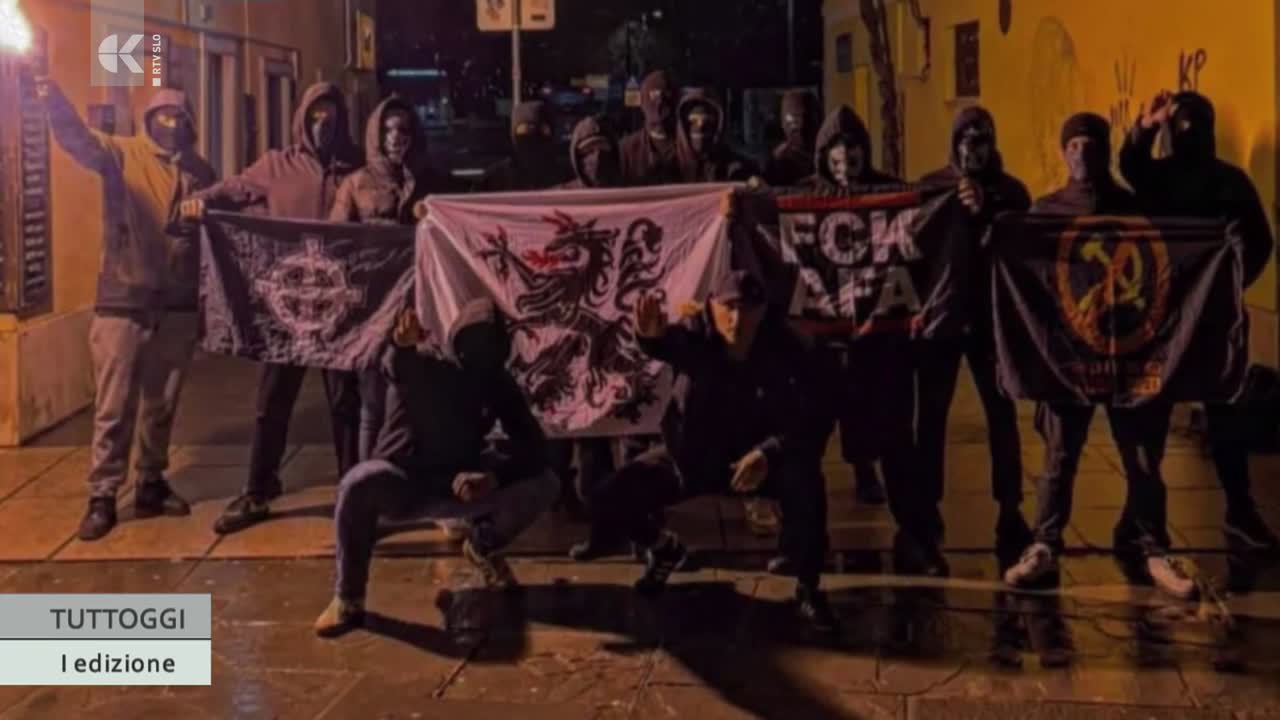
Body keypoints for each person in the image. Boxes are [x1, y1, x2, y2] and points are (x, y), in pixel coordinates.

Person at [583, 271, 841, 634]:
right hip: (693, 459)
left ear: (763, 311)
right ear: (713, 308)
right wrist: (648, 337)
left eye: (748, 310)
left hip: (757, 463)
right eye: (728, 309)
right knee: (610, 495)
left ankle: (809, 587)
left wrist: (770, 452)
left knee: (807, 482)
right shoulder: (697, 335)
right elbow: (666, 343)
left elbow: (815, 416)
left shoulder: (789, 346)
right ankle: (664, 549)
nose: (737, 320)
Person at [1004, 113, 1193, 600]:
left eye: (1091, 145)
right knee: (1059, 457)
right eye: (1073, 145)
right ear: (1062, 151)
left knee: (1142, 459)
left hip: (1131, 358)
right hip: (1070, 361)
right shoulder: (1046, 212)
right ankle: (1044, 543)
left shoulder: (1134, 211)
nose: (1082, 155)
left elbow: (1166, 267)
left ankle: (1153, 547)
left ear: (1105, 150)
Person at [180, 82, 364, 535]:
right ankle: (259, 489)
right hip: (288, 309)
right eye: (314, 116)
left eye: (330, 116)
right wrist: (202, 201)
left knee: (346, 403)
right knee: (272, 401)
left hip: (340, 308)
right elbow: (234, 188)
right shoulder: (276, 166)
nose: (322, 125)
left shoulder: (357, 169)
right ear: (302, 118)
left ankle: (354, 491)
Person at [314, 300, 559, 637]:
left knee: (545, 483)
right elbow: (398, 366)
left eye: (488, 352)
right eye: (472, 349)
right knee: (358, 483)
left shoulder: (497, 383)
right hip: (405, 481)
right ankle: (348, 597)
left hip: (459, 485)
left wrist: (493, 476)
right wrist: (400, 345)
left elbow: (534, 447)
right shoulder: (429, 367)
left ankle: (482, 544)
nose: (478, 360)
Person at [39, 80, 216, 541]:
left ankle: (151, 482)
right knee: (114, 405)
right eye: (163, 117)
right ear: (149, 120)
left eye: (179, 118)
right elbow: (77, 140)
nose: (171, 125)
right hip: (124, 300)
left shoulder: (200, 170)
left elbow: (215, 232)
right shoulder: (120, 154)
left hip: (176, 304)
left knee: (162, 404)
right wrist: (53, 99)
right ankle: (102, 494)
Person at [1120, 90, 1279, 551]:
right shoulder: (1166, 177)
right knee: (1156, 418)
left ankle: (1235, 511)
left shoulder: (1228, 182)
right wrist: (1147, 125)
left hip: (1207, 321)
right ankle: (1140, 516)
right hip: (1170, 321)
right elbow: (1129, 162)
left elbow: (1258, 242)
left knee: (1218, 414)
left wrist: (1229, 285)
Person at [806, 106, 931, 573]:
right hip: (823, 348)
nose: (845, 160)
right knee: (804, 446)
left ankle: (916, 536)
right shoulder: (806, 196)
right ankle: (803, 541)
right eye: (836, 152)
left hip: (881, 345)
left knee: (898, 444)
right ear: (824, 155)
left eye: (853, 150)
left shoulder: (891, 194)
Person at [917, 106, 1033, 559]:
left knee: (1001, 417)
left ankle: (1010, 509)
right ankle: (927, 508)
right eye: (965, 141)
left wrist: (987, 213)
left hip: (991, 322)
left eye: (980, 141)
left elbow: (1022, 247)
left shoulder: (1011, 192)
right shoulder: (933, 188)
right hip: (942, 320)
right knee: (931, 418)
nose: (972, 151)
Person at [331, 95, 447, 469]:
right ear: (377, 134)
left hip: (418, 306)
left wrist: (433, 217)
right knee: (372, 404)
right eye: (389, 130)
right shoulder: (355, 184)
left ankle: (406, 478)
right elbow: (336, 242)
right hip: (371, 306)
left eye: (404, 130)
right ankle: (367, 484)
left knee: (415, 400)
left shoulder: (432, 181)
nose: (397, 137)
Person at [674, 89, 757, 183]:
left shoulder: (734, 165)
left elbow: (748, 178)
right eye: (693, 121)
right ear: (684, 126)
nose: (700, 127)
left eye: (707, 121)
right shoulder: (668, 165)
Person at [482, 101, 567, 191]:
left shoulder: (566, 174)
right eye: (526, 131)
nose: (534, 138)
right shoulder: (498, 176)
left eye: (539, 131)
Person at [619, 70, 683, 187]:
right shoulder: (627, 150)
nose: (660, 102)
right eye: (654, 96)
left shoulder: (688, 147)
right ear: (643, 102)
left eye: (666, 96)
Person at [764, 90, 821, 187]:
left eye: (807, 117)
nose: (801, 124)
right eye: (794, 118)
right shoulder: (779, 160)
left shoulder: (826, 152)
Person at [558, 115, 622, 190]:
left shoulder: (629, 190)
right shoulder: (561, 194)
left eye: (603, 148)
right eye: (589, 150)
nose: (597, 156)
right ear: (577, 158)